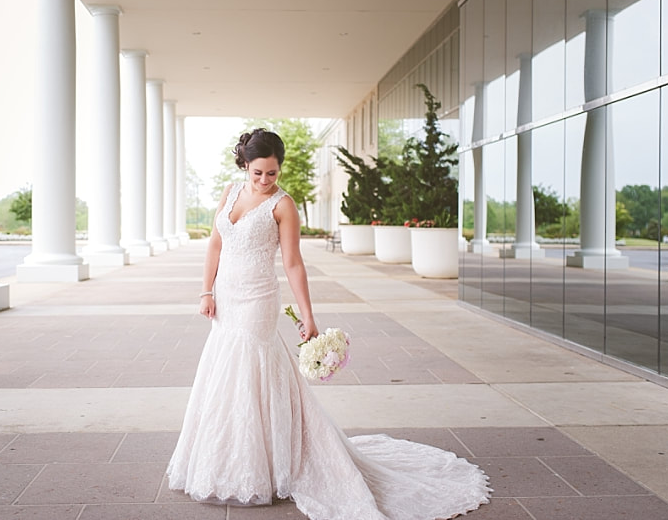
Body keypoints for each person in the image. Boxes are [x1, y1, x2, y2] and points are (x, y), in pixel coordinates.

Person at [166, 128, 490, 520]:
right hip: (227, 299)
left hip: (258, 301)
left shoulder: (283, 205)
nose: (266, 181)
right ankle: (223, 460)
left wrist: (308, 316)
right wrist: (206, 291)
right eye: (258, 173)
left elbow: (293, 264)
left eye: (272, 173)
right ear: (245, 165)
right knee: (224, 373)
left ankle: (264, 467)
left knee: (251, 371)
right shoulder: (230, 192)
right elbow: (216, 244)